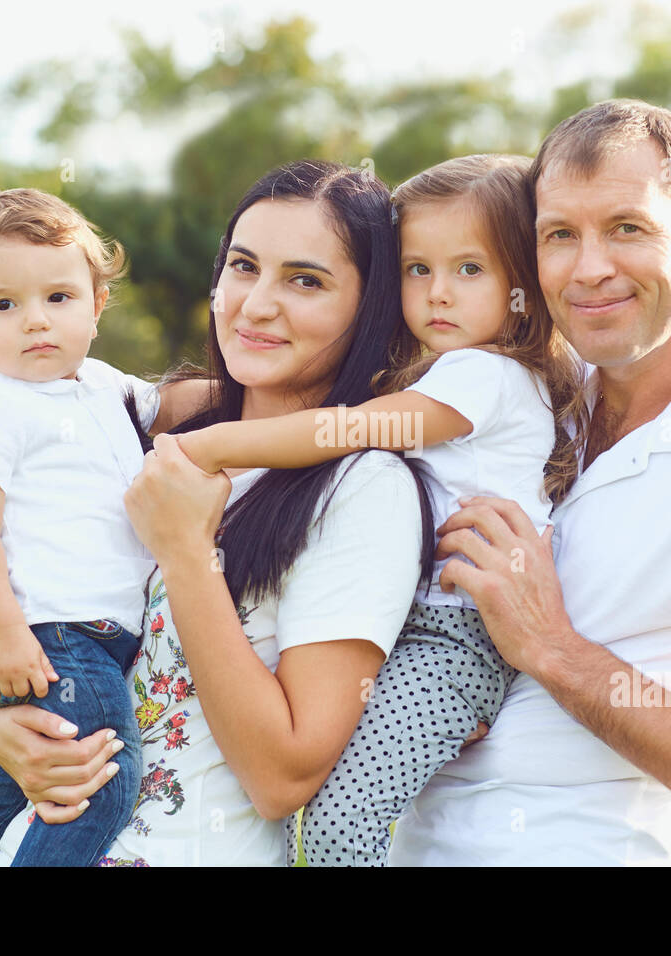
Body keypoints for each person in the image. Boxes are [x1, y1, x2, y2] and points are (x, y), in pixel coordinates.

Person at [388, 99, 671, 865]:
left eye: (627, 229)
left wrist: (554, 648)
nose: (589, 268)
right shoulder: (532, 392)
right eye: (559, 236)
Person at [0, 160, 438, 865]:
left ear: (369, 308)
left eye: (306, 281)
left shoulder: (363, 488)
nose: (257, 304)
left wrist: (187, 554)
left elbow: (284, 776)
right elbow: (17, 593)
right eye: (244, 267)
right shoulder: (137, 435)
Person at [173, 154, 587, 865]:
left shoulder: (485, 375)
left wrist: (211, 446)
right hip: (422, 632)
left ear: (522, 283)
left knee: (341, 821)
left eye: (469, 270)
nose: (437, 294)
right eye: (418, 270)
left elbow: (349, 426)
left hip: (453, 641)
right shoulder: (443, 374)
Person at [0, 188, 161, 866]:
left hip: (90, 639)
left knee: (12, 787)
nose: (35, 322)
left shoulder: (106, 387)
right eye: (3, 305)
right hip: (45, 631)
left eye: (59, 298)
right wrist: (4, 631)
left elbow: (184, 399)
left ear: (97, 306)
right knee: (99, 780)